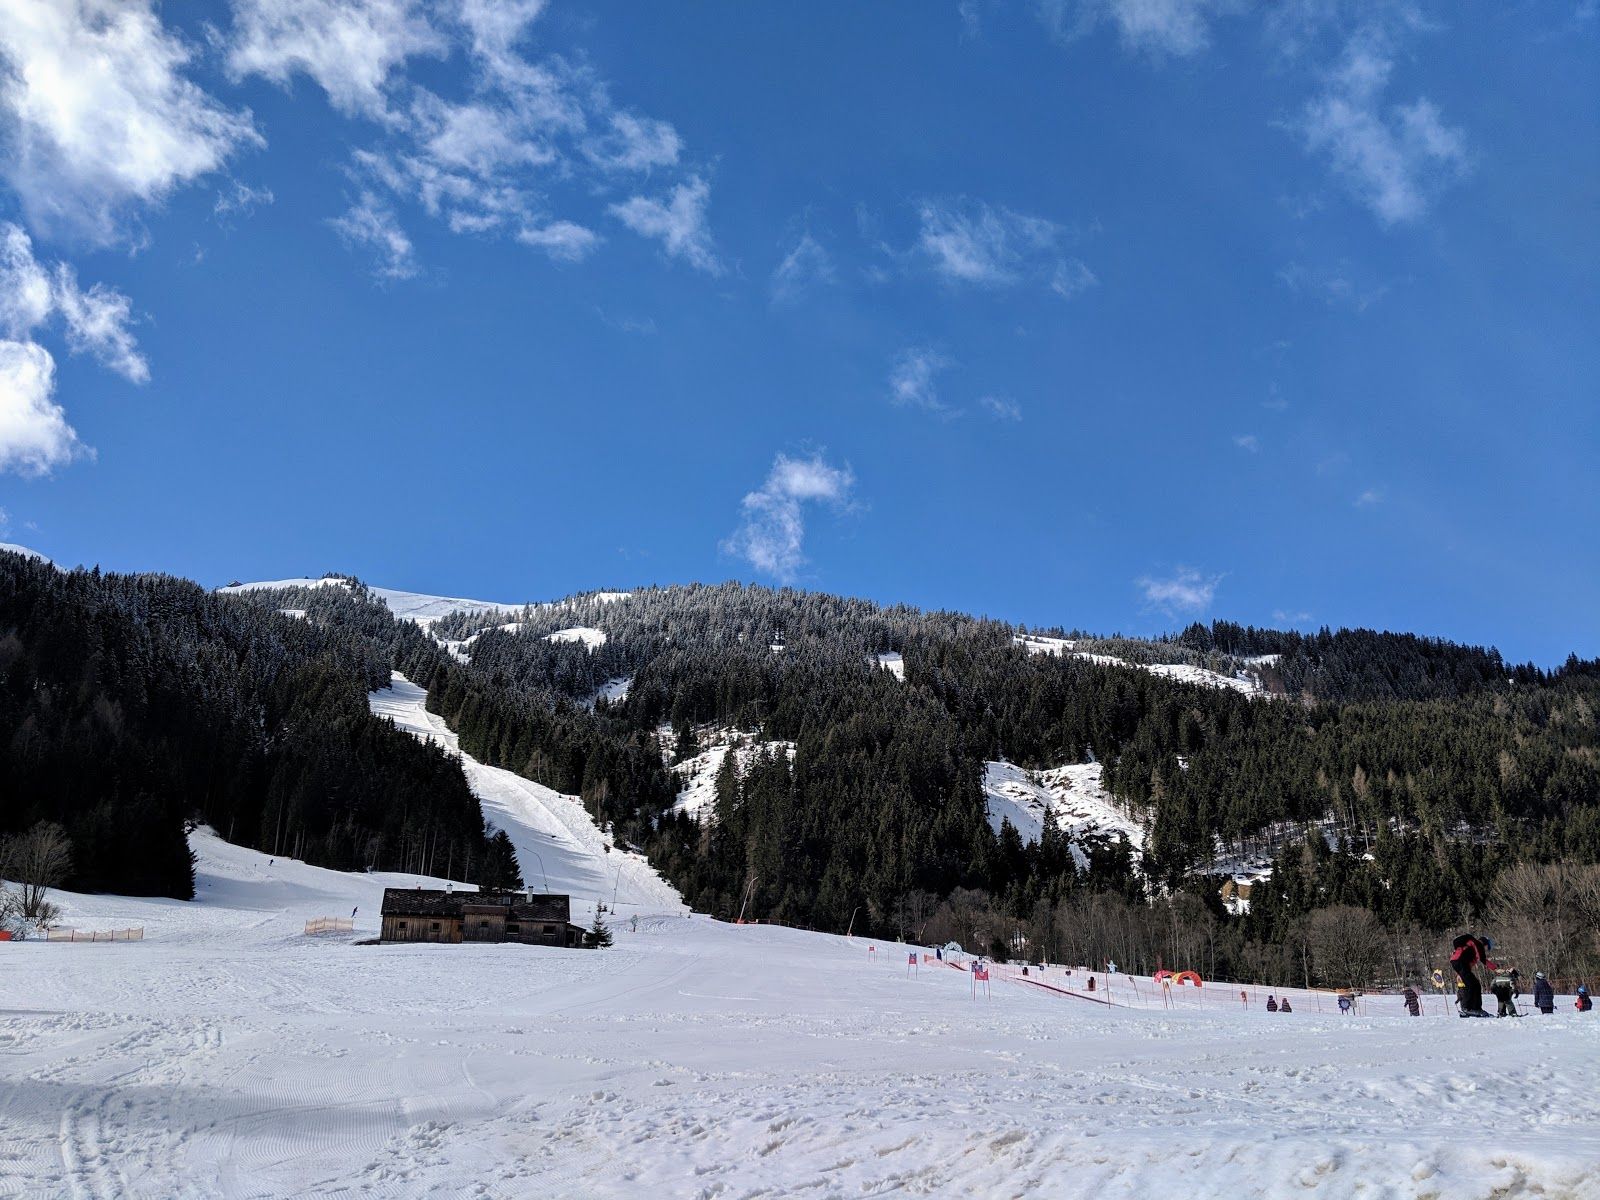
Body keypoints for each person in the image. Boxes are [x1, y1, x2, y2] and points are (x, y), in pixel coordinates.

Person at [1450, 933, 1492, 1017]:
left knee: (1475, 984)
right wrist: (1495, 968)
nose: (1486, 950)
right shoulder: (1477, 943)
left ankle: (1476, 1008)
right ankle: (1466, 1008)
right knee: (1471, 985)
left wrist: (1459, 974)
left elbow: (1467, 962)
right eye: (1487, 947)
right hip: (1459, 962)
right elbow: (1482, 959)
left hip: (1459, 963)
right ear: (1484, 943)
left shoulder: (1471, 948)